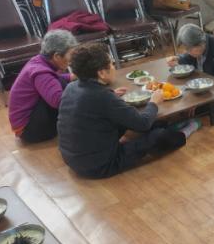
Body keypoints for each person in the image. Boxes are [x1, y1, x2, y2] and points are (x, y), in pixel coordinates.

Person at [57, 43, 189, 178]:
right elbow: (143, 123)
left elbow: (93, 108)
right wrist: (154, 102)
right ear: (101, 73)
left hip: (73, 159)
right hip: (99, 166)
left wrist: (111, 95)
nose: (114, 67)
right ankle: (186, 131)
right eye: (111, 64)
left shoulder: (71, 87)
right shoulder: (102, 96)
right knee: (157, 135)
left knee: (147, 121)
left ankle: (166, 125)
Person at [8, 30, 78, 143]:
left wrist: (73, 76)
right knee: (69, 89)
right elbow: (59, 101)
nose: (72, 59)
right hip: (29, 130)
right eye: (71, 54)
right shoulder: (41, 72)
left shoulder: (38, 61)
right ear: (57, 56)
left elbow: (55, 78)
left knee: (64, 83)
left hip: (27, 122)